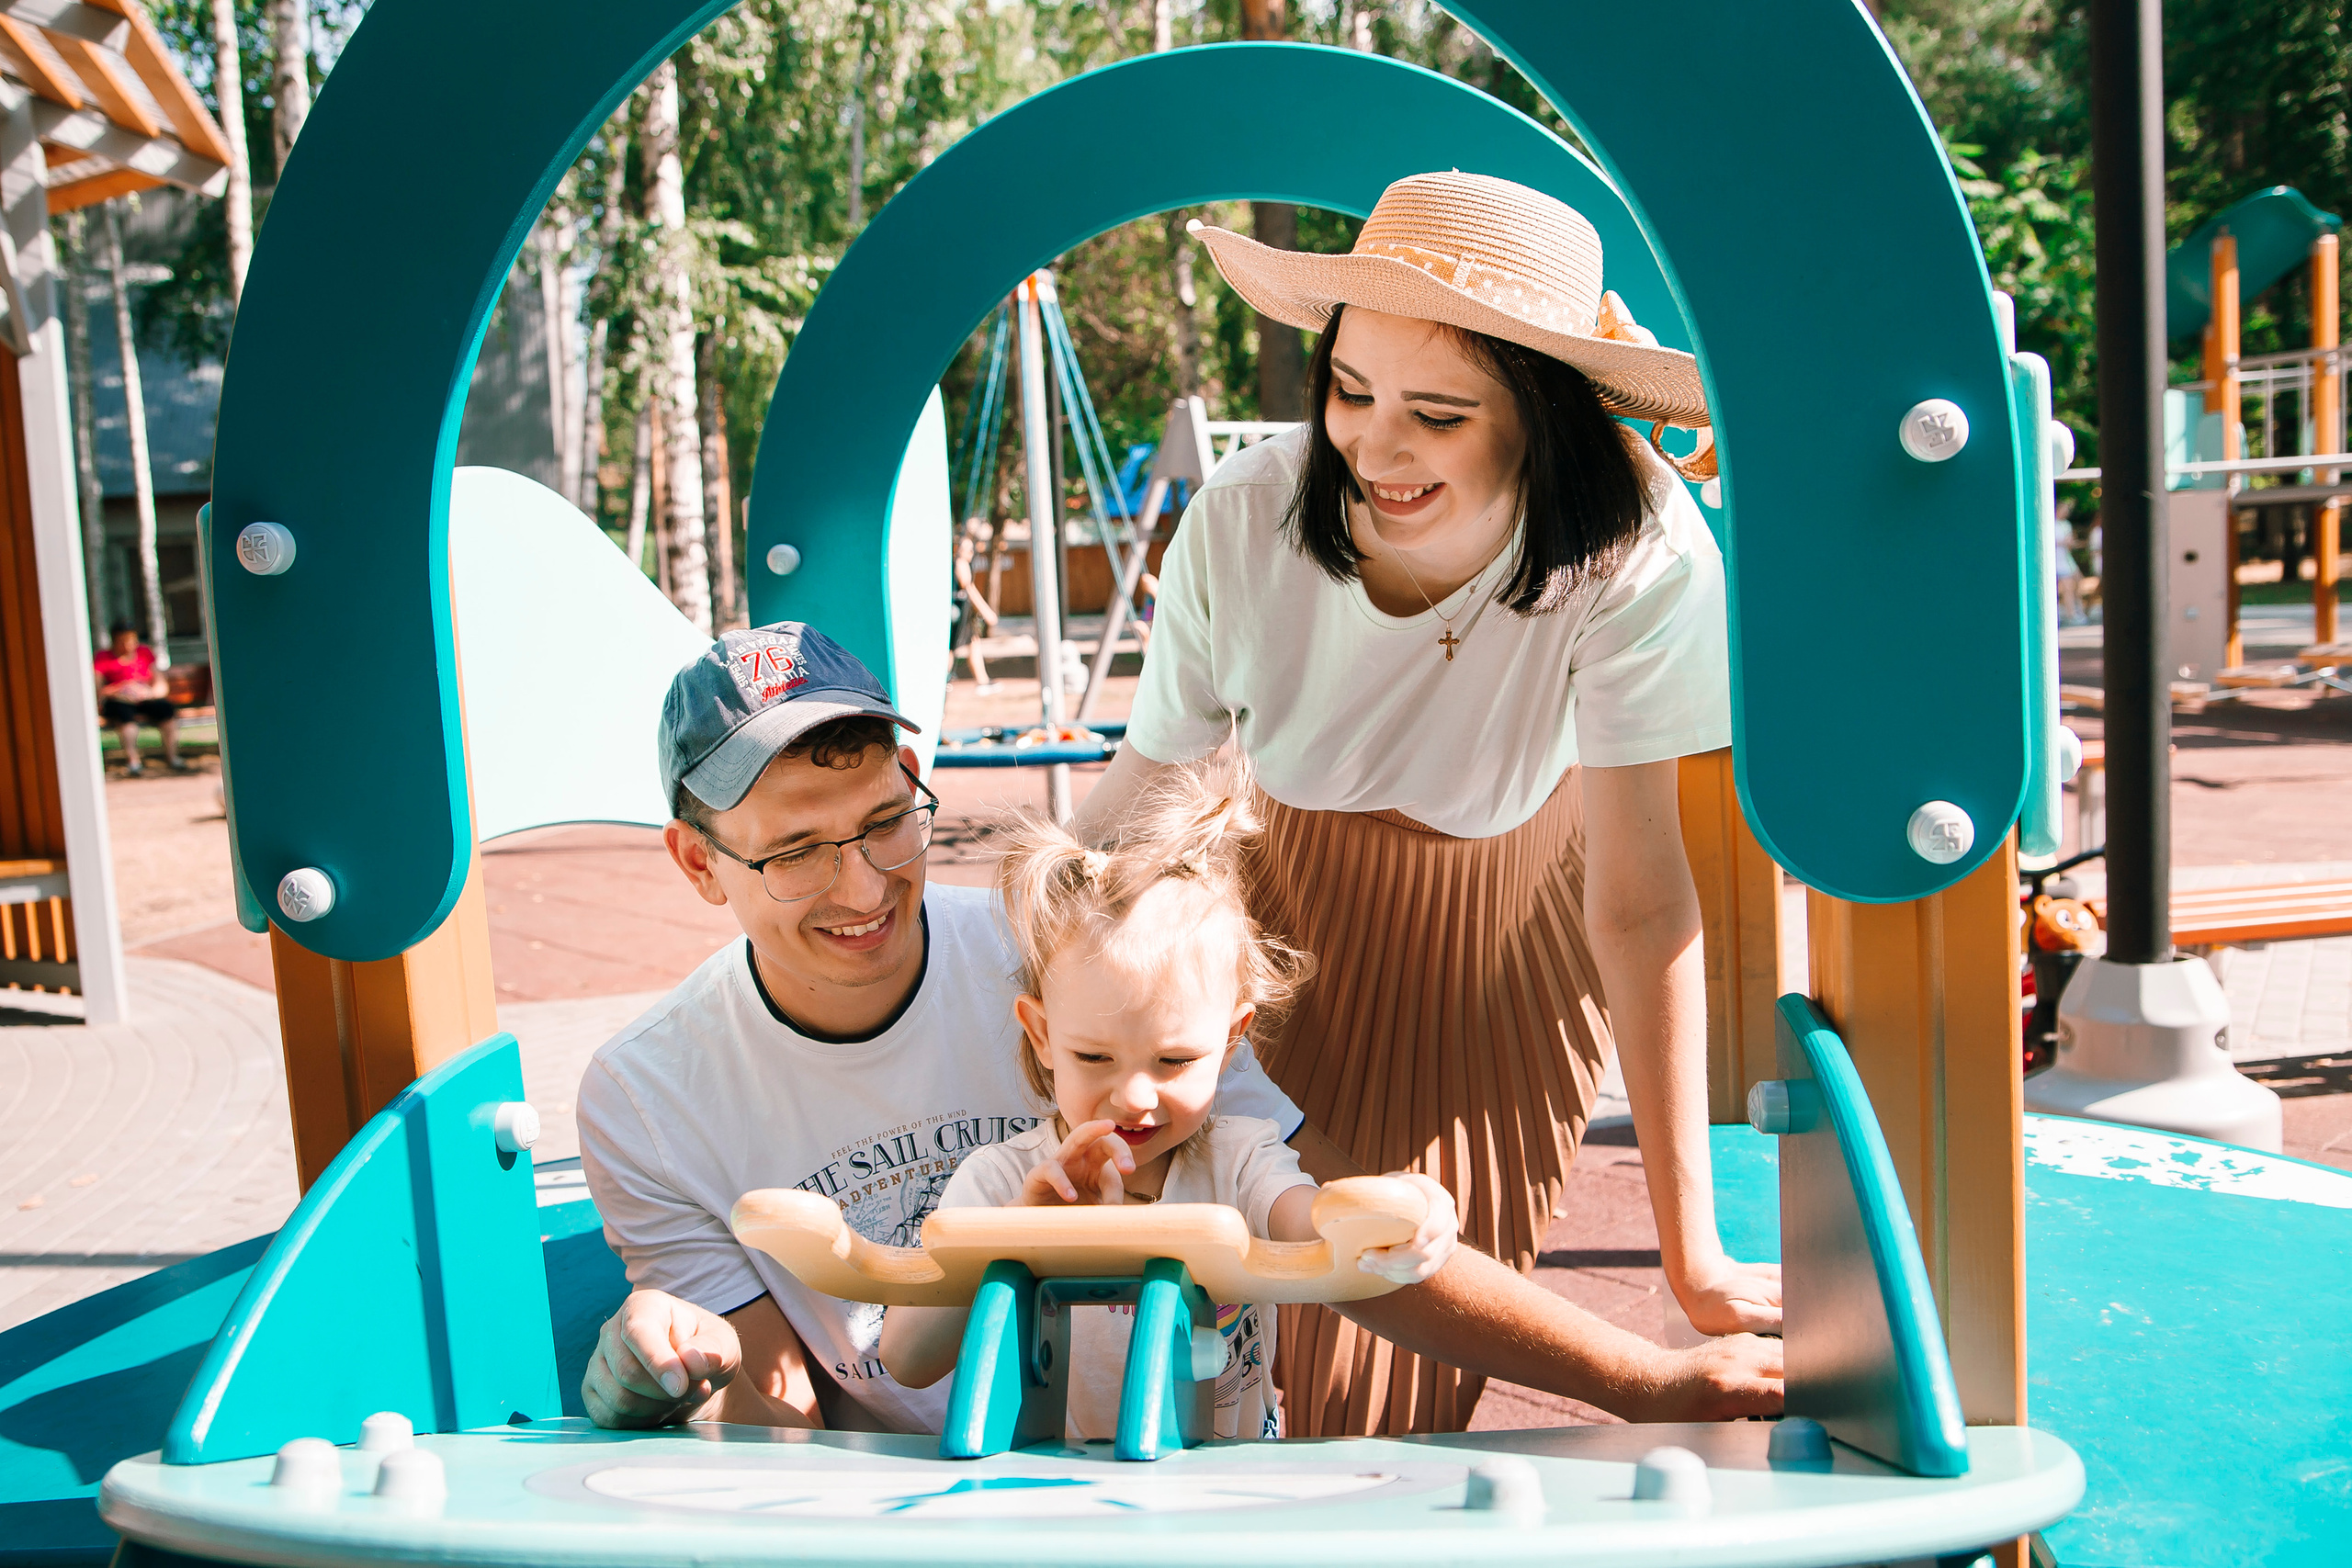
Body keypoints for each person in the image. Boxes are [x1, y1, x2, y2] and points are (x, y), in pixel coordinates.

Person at [577, 621, 1779, 1433]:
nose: (863, 884)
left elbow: (1321, 1232)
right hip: (936, 1495)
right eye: (795, 850)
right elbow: (782, 1400)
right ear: (697, 861)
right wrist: (674, 1369)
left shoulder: (1076, 948)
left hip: (1190, 1465)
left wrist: (1643, 1377)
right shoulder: (650, 1092)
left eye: (889, 822)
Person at [1077, 171, 1780, 1435]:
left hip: (1509, 949)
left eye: (1439, 414)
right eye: (1350, 389)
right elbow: (1152, 782)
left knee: (1412, 1360)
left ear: (1545, 420)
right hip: (1274, 942)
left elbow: (1637, 896)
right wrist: (1007, 938)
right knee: (1255, 1322)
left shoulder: (1635, 552)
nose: (1376, 447)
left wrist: (1696, 1254)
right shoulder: (1245, 516)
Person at [877, 761, 1456, 1438]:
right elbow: (907, 1356)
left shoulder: (1238, 1163)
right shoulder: (1003, 1181)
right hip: (1058, 1504)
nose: (1133, 1094)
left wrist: (1403, 1207)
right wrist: (1019, 1235)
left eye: (1175, 1060)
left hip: (1224, 1497)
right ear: (1041, 1035)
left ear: (1233, 1038)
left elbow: (1315, 1222)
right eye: (1093, 1057)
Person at [93, 624, 188, 776]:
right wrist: (121, 689)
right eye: (122, 641)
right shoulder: (103, 657)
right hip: (119, 700)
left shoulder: (144, 653)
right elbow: (98, 690)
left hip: (145, 698)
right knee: (125, 716)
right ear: (114, 641)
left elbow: (160, 685)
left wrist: (148, 693)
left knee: (166, 710)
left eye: (131, 640)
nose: (127, 645)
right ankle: (134, 762)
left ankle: (172, 757)